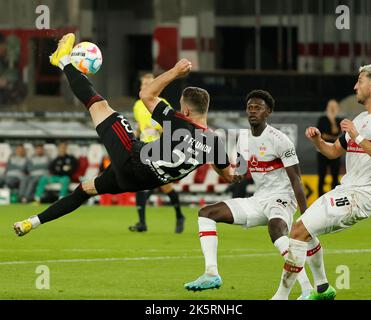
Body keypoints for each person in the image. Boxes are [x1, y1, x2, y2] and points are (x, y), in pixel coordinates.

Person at [13, 33, 237, 236]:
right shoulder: (215, 144)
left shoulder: (179, 122)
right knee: (86, 189)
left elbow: (146, 94)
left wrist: (175, 72)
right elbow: (227, 174)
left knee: (99, 105)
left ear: (186, 110)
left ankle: (63, 60)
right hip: (140, 181)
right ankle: (31, 222)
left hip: (133, 158)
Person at [271, 63, 371, 300]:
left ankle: (280, 297)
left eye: (360, 81)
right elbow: (334, 151)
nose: (355, 86)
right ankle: (323, 288)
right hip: (346, 190)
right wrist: (317, 141)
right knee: (303, 230)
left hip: (360, 196)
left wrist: (359, 136)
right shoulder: (363, 118)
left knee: (298, 232)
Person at [184, 90, 314, 300]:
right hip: (259, 199)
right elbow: (242, 169)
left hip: (282, 199)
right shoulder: (244, 138)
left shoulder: (280, 140)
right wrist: (232, 174)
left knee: (276, 230)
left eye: (258, 108)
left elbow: (296, 180)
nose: (253, 112)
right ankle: (211, 273)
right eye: (250, 108)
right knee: (206, 213)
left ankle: (307, 289)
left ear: (268, 112)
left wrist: (306, 216)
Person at [129, 73, 185, 233]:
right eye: (143, 84)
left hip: (161, 148)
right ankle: (142, 223)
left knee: (165, 187)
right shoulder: (137, 105)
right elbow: (140, 127)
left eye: (148, 84)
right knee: (140, 185)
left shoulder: (163, 103)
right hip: (143, 148)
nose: (145, 87)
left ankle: (180, 215)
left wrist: (157, 128)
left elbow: (172, 127)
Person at [316, 100, 342, 196]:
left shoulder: (339, 120)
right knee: (321, 176)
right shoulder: (322, 119)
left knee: (335, 176)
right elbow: (321, 136)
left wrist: (332, 120)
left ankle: (334, 197)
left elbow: (337, 133)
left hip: (335, 150)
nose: (332, 108)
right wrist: (333, 137)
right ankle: (320, 198)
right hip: (322, 151)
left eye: (334, 106)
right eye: (330, 106)